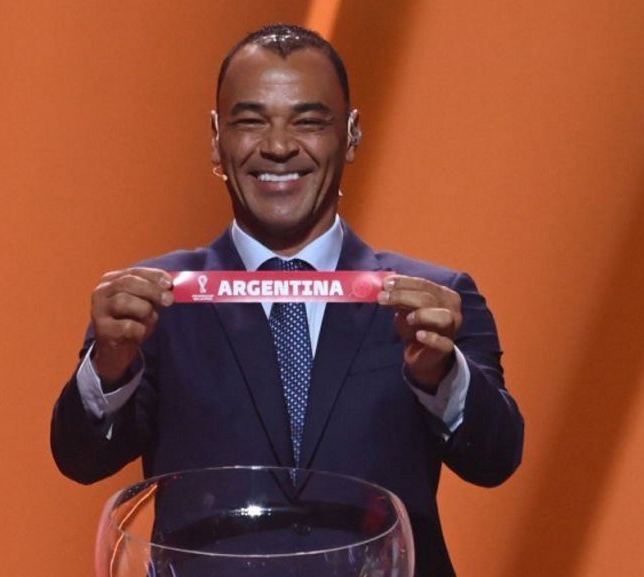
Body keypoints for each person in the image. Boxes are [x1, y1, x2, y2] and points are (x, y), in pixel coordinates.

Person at [51, 24, 523, 577]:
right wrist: (108, 366)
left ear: (351, 135)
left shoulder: (434, 302)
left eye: (309, 121)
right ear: (216, 137)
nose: (278, 146)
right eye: (251, 121)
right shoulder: (154, 302)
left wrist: (440, 375)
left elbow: (495, 460)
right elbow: (81, 460)